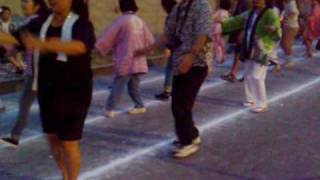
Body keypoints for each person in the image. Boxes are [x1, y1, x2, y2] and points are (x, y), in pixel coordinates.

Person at [0, 0, 95, 179]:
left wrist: (46, 45)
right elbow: (15, 38)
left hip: (74, 91)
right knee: (52, 138)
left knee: (68, 142)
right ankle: (64, 174)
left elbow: (80, 46)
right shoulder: (40, 22)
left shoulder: (81, 23)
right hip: (47, 89)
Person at [136, 0, 212, 158]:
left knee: (181, 105)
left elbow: (203, 34)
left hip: (196, 63)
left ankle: (187, 141)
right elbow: (168, 34)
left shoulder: (201, 5)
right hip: (180, 63)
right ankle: (192, 134)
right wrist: (147, 49)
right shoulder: (178, 8)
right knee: (181, 103)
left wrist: (191, 55)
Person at [0, 0, 49, 148]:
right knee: (27, 103)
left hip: (38, 71)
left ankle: (16, 136)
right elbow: (19, 45)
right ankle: (15, 136)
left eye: (26, 1)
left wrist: (7, 51)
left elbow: (15, 41)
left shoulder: (35, 21)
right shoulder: (36, 21)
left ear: (37, 6)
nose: (22, 4)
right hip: (35, 71)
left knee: (29, 103)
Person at [95, 0, 155, 118]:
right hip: (138, 59)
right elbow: (150, 40)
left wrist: (98, 47)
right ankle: (139, 105)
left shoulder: (121, 21)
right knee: (133, 85)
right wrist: (148, 50)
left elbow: (108, 36)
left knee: (118, 84)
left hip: (126, 59)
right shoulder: (140, 21)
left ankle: (110, 108)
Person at [222, 0, 281, 113]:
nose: (255, 1)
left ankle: (262, 103)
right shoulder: (250, 12)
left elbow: (277, 31)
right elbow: (235, 21)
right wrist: (221, 24)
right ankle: (251, 99)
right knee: (248, 74)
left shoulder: (270, 13)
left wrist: (274, 29)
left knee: (256, 76)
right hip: (249, 47)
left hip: (263, 49)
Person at [220, 0, 252, 82]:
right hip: (240, 29)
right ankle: (235, 73)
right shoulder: (242, 2)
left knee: (242, 51)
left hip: (244, 31)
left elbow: (247, 18)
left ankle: (236, 73)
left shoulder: (246, 2)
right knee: (239, 51)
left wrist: (242, 31)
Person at [154, 0, 177, 101]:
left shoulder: (171, 17)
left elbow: (168, 33)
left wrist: (167, 48)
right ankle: (174, 89)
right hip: (183, 45)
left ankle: (167, 91)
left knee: (170, 69)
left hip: (175, 46)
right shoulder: (181, 15)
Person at [211, 0, 231, 64]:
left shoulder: (219, 12)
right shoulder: (227, 13)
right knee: (221, 44)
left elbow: (212, 18)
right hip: (223, 29)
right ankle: (222, 57)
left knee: (216, 44)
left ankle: (218, 57)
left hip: (216, 28)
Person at [281, 0, 300, 68]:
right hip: (288, 26)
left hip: (292, 26)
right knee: (283, 43)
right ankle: (288, 59)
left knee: (286, 44)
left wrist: (285, 18)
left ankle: (289, 61)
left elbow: (294, 12)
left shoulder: (291, 2)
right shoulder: (287, 3)